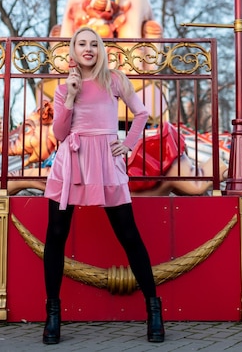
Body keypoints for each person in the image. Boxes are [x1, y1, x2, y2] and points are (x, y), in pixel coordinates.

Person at [42, 26, 165, 345]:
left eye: (93, 44)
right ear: (72, 49)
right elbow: (58, 133)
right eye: (81, 43)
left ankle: (154, 309)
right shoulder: (63, 86)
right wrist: (69, 95)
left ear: (100, 49)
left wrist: (128, 144)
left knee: (129, 235)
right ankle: (53, 313)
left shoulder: (115, 79)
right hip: (71, 163)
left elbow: (141, 113)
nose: (88, 49)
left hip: (106, 163)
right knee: (55, 236)